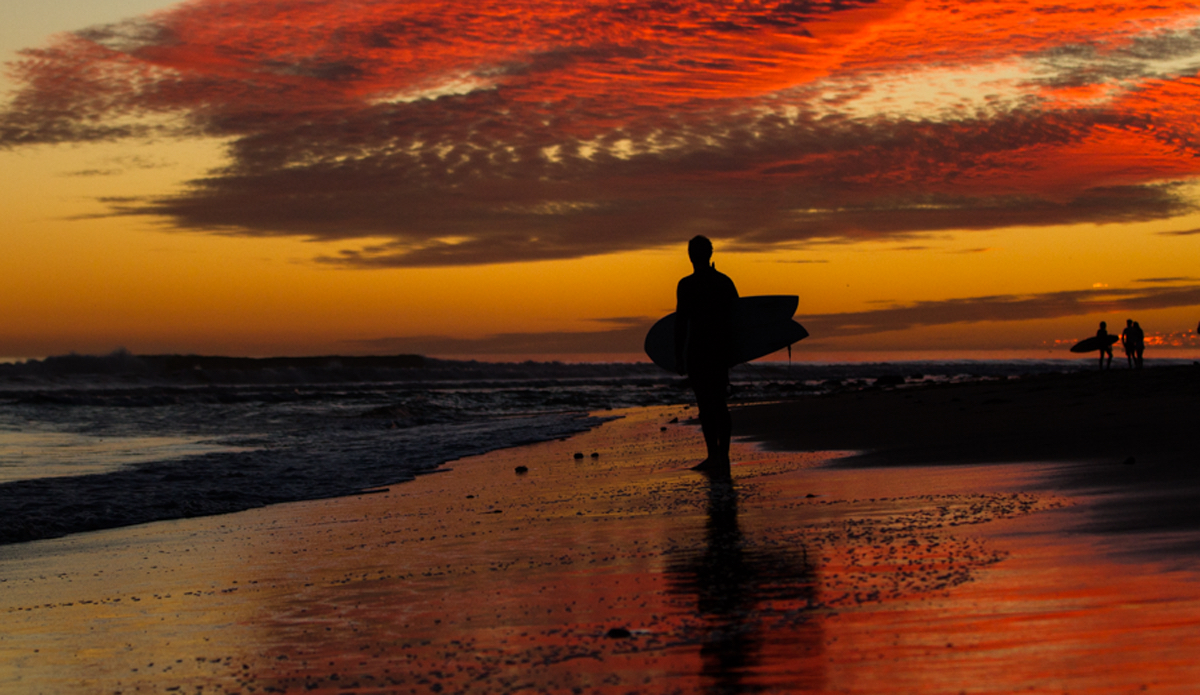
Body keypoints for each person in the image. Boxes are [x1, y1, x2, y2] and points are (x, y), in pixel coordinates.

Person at [675, 235, 739, 475]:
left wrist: (678, 355)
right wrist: (735, 351)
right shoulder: (724, 282)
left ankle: (713, 455)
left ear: (691, 256)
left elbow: (681, 322)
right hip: (719, 350)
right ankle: (724, 456)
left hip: (698, 351)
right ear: (710, 254)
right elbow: (737, 319)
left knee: (705, 405)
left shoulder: (686, 285)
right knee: (720, 403)